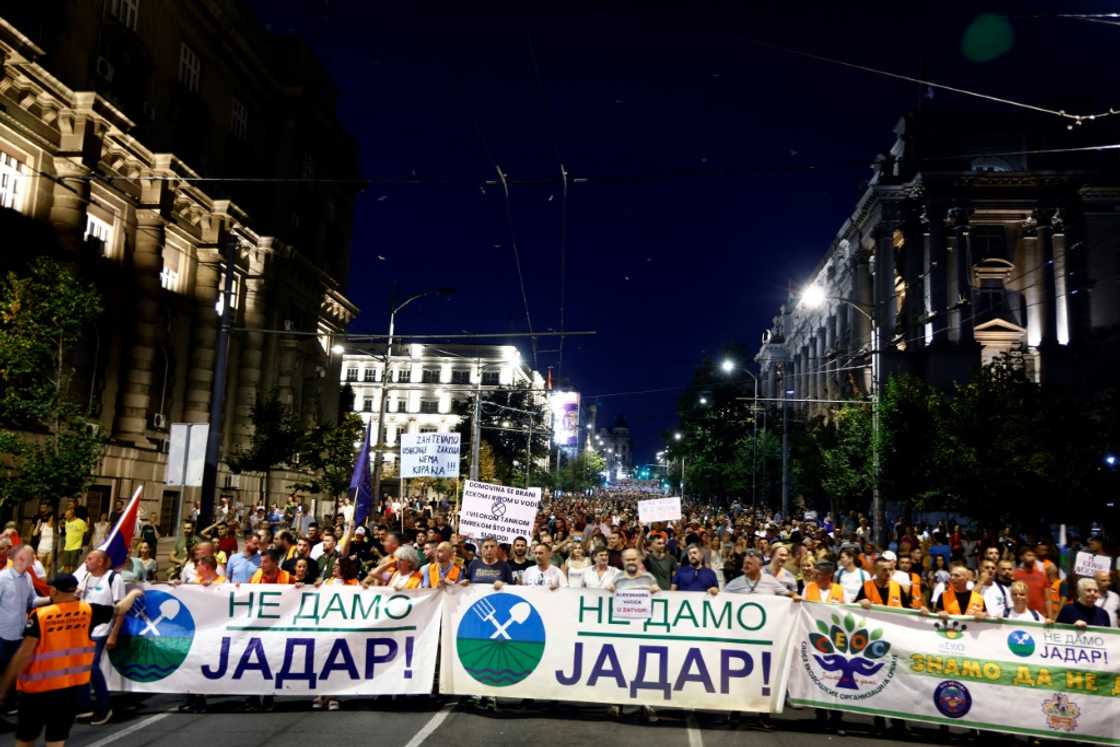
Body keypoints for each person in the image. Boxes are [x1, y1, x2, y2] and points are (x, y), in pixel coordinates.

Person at [0, 573, 141, 747]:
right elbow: (120, 608)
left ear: (53, 590)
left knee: (26, 739)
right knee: (56, 740)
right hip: (68, 688)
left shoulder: (41, 616)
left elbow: (24, 654)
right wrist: (133, 594)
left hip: (36, 690)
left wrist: (4, 687)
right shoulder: (89, 611)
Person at [71, 550, 126, 725]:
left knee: (91, 666)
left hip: (101, 629)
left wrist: (114, 634)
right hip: (83, 628)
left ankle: (104, 707)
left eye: (89, 558)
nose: (85, 561)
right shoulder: (86, 577)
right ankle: (85, 706)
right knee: (81, 667)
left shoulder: (114, 578)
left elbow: (121, 608)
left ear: (101, 562)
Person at [0, 547, 39, 717]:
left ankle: (9, 703)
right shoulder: (2, 578)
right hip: (2, 633)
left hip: (19, 633)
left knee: (14, 669)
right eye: (31, 556)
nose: (34, 559)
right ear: (21, 558)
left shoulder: (28, 577)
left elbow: (33, 600)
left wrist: (53, 599)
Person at [726, 550, 796, 596]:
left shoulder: (770, 580)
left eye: (749, 563)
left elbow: (789, 593)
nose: (745, 566)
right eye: (744, 563)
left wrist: (795, 596)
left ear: (759, 567)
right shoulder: (736, 582)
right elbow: (720, 596)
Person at [1013, 546, 1050, 619]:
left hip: (1040, 616)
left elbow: (1048, 600)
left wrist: (1050, 617)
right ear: (1021, 557)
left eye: (1034, 556)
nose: (1032, 558)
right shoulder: (1015, 575)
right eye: (1029, 555)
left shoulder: (1042, 575)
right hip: (1020, 615)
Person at [60, 507, 87, 573]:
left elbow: (86, 532)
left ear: (72, 515)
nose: (65, 516)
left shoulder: (81, 522)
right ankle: (66, 579)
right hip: (67, 547)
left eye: (67, 515)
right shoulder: (67, 522)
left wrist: (83, 544)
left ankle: (72, 580)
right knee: (66, 565)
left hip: (76, 546)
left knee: (73, 566)